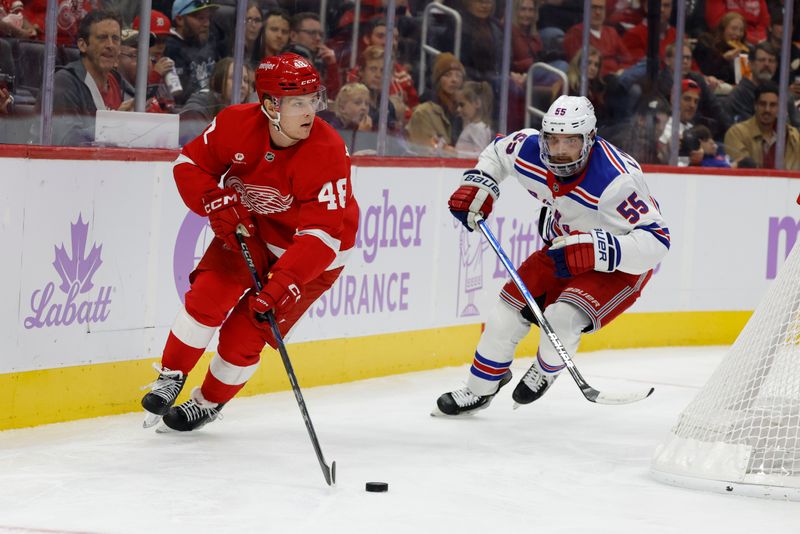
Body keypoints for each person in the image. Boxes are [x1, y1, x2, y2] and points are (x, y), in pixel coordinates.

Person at [140, 52, 359, 432]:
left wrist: (285, 281)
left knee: (246, 333)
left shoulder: (327, 150)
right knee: (209, 296)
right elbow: (188, 166)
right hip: (251, 230)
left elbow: (322, 236)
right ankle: (171, 374)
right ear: (270, 104)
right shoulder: (235, 123)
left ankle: (208, 402)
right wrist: (212, 199)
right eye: (298, 103)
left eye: (314, 100)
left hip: (314, 255)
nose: (311, 112)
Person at [433, 95, 670, 416]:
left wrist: (597, 250)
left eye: (570, 142)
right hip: (563, 248)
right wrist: (481, 185)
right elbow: (497, 153)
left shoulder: (616, 181)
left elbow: (657, 242)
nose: (559, 151)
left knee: (561, 319)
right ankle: (479, 389)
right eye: (553, 140)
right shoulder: (530, 150)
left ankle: (546, 370)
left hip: (620, 265)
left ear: (589, 140)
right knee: (504, 315)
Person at [48, 10, 133, 146]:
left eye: (115, 38)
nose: (110, 45)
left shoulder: (120, 83)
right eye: (102, 37)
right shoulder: (64, 83)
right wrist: (112, 124)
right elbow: (65, 142)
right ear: (82, 45)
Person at [723, 82, 800, 170]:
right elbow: (743, 172)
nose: (767, 109)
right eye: (763, 104)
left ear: (779, 107)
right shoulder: (736, 134)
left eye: (772, 105)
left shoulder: (793, 137)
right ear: (755, 105)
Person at [166, 0, 221, 107]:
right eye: (200, 18)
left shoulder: (210, 40)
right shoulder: (170, 48)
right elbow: (181, 96)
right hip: (186, 116)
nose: (207, 24)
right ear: (179, 19)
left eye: (208, 18)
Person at [454, 81, 493, 156]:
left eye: (462, 105)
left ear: (477, 103)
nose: (458, 109)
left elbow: (480, 155)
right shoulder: (472, 126)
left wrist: (456, 153)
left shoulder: (479, 128)